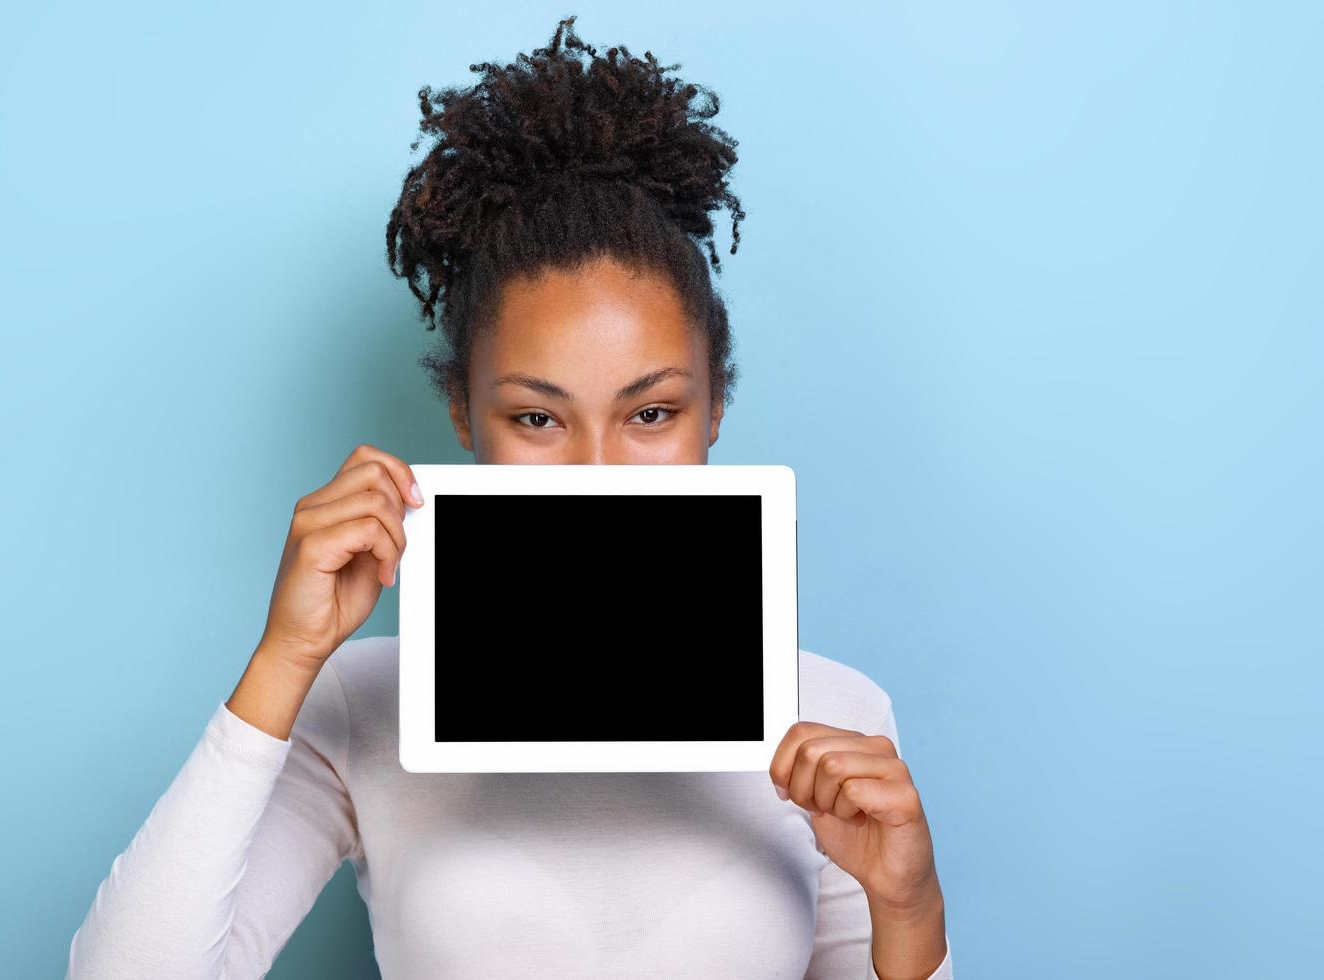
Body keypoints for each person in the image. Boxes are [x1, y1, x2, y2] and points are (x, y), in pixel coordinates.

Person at [66, 15, 953, 979]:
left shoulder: (831, 714)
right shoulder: (367, 704)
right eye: (538, 420)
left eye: (650, 414)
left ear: (715, 410)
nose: (597, 477)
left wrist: (907, 912)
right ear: (463, 416)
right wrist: (285, 659)